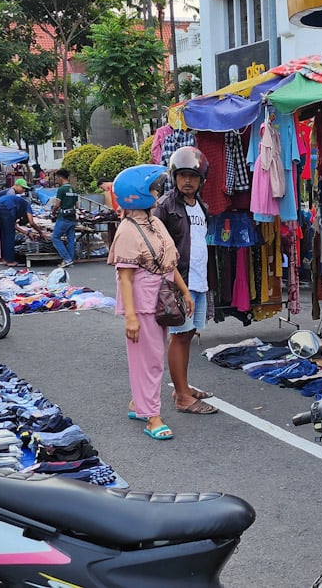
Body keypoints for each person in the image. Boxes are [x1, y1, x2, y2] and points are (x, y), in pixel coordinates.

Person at [108, 164, 194, 440]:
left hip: (162, 298)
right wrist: (130, 317)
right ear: (137, 193)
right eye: (152, 188)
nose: (157, 192)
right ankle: (152, 417)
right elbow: (125, 276)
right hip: (143, 303)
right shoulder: (127, 229)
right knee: (150, 361)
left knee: (149, 358)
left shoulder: (154, 221)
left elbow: (169, 263)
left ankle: (139, 403)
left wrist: (185, 291)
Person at [154, 146, 216, 415]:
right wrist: (175, 282)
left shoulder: (202, 206)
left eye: (193, 176)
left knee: (189, 334)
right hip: (180, 281)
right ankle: (181, 396)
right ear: (175, 177)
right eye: (183, 176)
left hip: (199, 279)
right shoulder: (165, 206)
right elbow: (159, 248)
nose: (187, 181)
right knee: (179, 336)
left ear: (201, 178)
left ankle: (183, 386)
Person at [0, 178, 46, 267]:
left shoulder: (18, 204)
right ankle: (10, 261)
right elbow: (31, 222)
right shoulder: (26, 204)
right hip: (5, 208)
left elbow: (14, 225)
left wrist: (28, 233)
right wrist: (40, 232)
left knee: (4, 234)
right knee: (10, 235)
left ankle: (6, 259)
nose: (23, 190)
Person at [49, 169, 79, 267]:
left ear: (61, 178)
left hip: (63, 218)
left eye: (57, 178)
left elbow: (57, 204)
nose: (56, 180)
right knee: (71, 239)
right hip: (72, 218)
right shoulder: (74, 190)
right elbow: (77, 205)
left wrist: (53, 213)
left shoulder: (61, 189)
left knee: (55, 237)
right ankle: (70, 261)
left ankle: (67, 259)